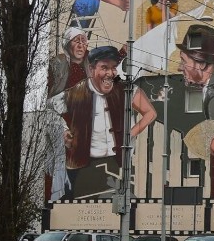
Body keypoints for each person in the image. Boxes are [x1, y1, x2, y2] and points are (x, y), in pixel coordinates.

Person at [51, 45, 157, 199]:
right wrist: (63, 129)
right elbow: (49, 109)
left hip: (118, 164)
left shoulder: (125, 89)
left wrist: (130, 134)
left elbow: (150, 112)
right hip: (84, 168)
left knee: (121, 212)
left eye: (113, 68)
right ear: (92, 69)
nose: (110, 73)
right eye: (104, 68)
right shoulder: (75, 93)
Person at [48, 26, 90, 97]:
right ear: (67, 45)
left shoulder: (93, 63)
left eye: (83, 41)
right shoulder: (58, 63)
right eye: (76, 41)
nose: (80, 45)